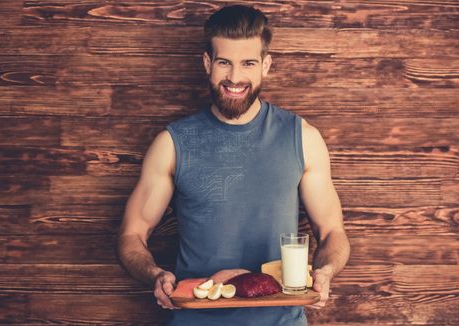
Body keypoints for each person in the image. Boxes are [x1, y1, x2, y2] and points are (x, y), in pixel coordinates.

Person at [117, 4, 350, 326]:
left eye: (248, 63)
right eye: (224, 63)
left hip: (280, 319)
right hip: (195, 320)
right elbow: (133, 234)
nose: (235, 77)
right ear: (207, 63)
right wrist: (155, 274)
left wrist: (325, 271)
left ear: (266, 65)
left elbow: (332, 232)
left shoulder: (303, 138)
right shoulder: (172, 143)